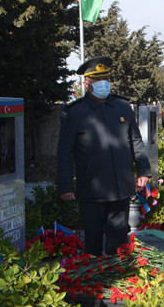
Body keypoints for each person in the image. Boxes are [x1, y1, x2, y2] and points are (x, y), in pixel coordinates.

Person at [57, 56, 151, 256]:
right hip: (92, 189)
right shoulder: (74, 112)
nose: (103, 85)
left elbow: (135, 140)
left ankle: (116, 276)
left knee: (118, 240)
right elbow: (65, 151)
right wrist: (65, 186)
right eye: (97, 82)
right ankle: (96, 280)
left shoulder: (122, 106)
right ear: (86, 84)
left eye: (106, 81)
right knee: (93, 239)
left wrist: (143, 170)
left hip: (120, 187)